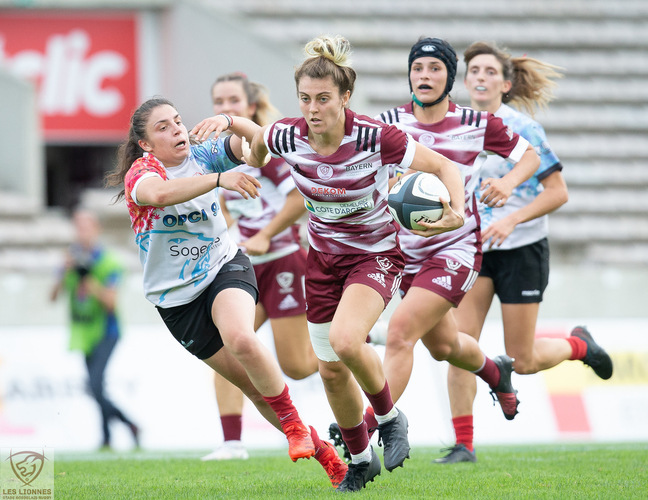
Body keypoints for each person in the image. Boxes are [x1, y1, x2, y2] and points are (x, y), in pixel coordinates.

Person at [241, 35, 466, 492]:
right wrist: (249, 158)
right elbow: (260, 147)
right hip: (321, 260)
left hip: (376, 255)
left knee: (346, 341)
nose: (313, 109)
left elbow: (447, 168)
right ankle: (361, 460)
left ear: (345, 97)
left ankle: (389, 416)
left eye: (323, 99)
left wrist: (455, 213)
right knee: (329, 370)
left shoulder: (375, 137)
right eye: (305, 99)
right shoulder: (286, 135)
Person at [104, 96, 346, 488]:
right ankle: (322, 452)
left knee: (240, 337)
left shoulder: (205, 154)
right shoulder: (142, 171)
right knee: (252, 388)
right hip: (176, 302)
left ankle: (296, 431)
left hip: (223, 266)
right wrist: (220, 179)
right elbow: (160, 195)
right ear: (146, 143)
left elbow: (260, 150)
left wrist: (234, 121)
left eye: (178, 121)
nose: (177, 130)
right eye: (163, 127)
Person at [336, 37, 540, 447]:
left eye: (434, 69)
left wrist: (506, 181)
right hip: (404, 253)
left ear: (450, 78)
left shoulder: (477, 125)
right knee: (445, 345)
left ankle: (367, 426)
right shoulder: (389, 124)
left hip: (456, 249)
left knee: (399, 333)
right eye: (418, 68)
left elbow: (530, 157)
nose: (425, 76)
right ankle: (495, 371)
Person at [434, 41, 614, 464]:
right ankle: (464, 444)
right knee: (460, 344)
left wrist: (512, 217)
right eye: (473, 70)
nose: (480, 77)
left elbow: (558, 193)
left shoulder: (524, 129)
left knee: (524, 359)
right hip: (474, 249)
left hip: (522, 249)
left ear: (506, 83)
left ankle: (578, 345)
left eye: (489, 72)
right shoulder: (456, 126)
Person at [201, 72, 321, 463]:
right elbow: (225, 209)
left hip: (284, 261)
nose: (224, 109)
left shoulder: (263, 145)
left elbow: (300, 199)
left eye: (232, 101)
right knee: (225, 346)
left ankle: (358, 341)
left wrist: (267, 233)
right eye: (218, 102)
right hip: (247, 270)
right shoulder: (216, 152)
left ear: (250, 107)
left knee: (299, 367)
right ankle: (232, 443)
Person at [50, 209, 140, 451]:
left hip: (107, 331)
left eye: (86, 227)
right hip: (83, 332)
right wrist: (63, 272)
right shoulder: (71, 259)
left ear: (96, 229)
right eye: (78, 227)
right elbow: (53, 296)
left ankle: (129, 424)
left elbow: (111, 303)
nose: (82, 233)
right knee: (96, 386)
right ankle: (108, 436)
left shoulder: (108, 261)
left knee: (95, 384)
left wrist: (91, 285)